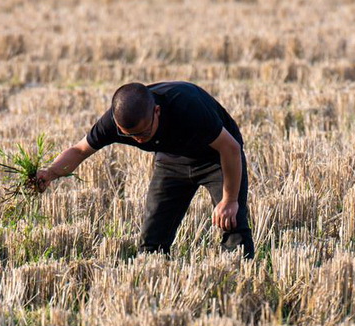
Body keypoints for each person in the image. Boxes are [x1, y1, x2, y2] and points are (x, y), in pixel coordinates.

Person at [37, 81, 254, 258]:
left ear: (157, 111)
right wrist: (50, 172)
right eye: (130, 135)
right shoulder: (113, 122)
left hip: (216, 158)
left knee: (232, 226)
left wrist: (230, 200)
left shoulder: (187, 106)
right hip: (171, 161)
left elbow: (231, 148)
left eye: (143, 132)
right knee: (152, 241)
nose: (138, 139)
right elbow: (79, 150)